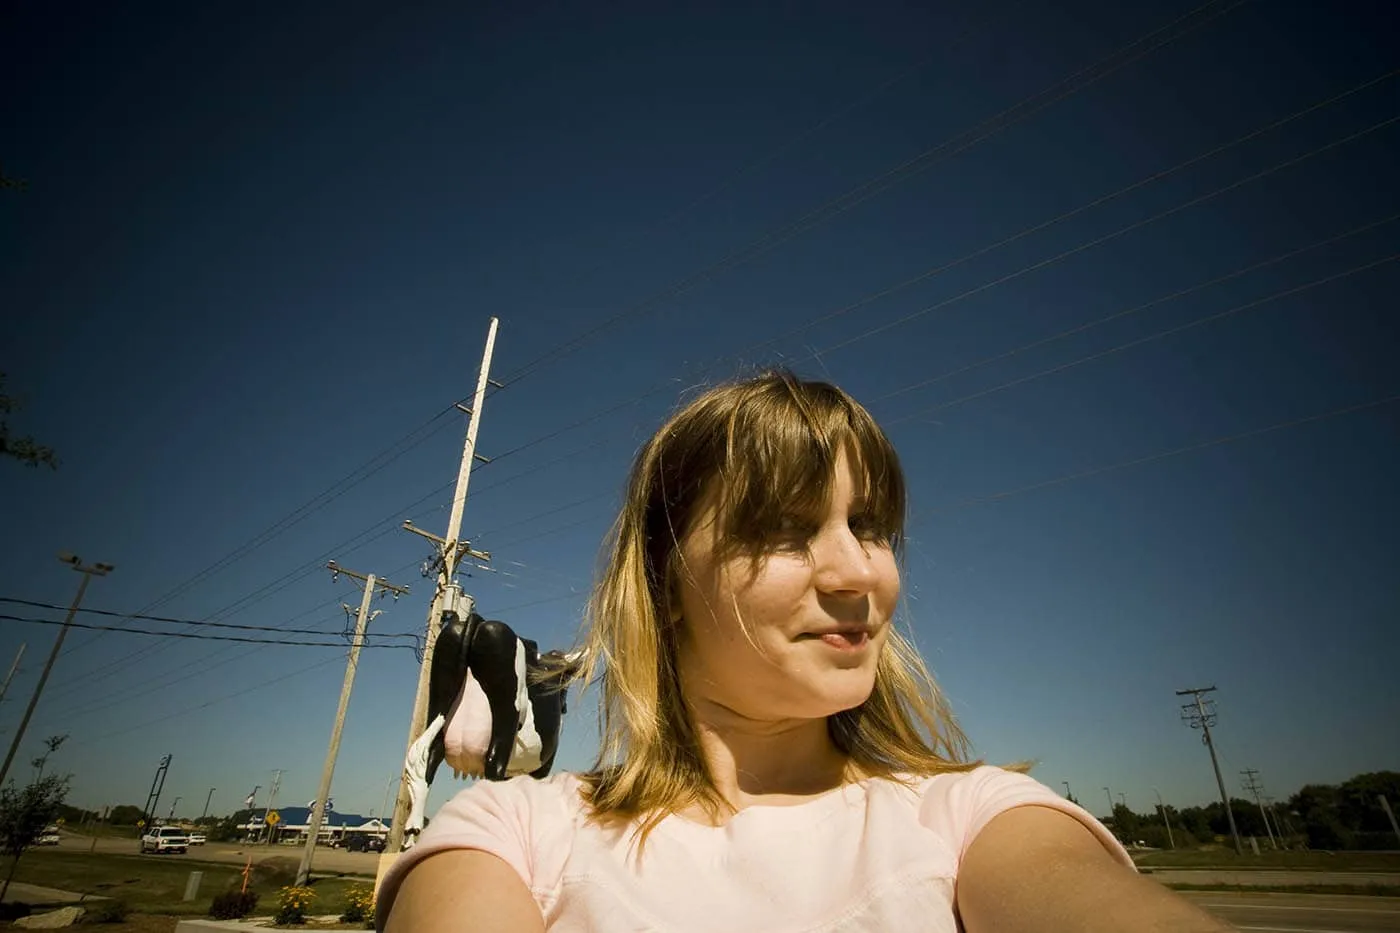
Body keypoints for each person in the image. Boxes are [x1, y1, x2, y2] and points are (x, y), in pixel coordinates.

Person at [380, 371, 1231, 932]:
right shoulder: (518, 833)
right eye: (784, 530)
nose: (860, 571)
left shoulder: (975, 817)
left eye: (870, 527)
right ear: (665, 581)